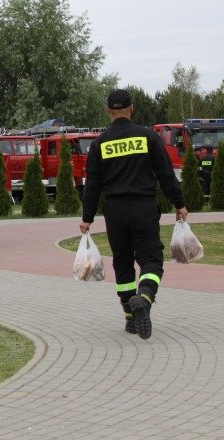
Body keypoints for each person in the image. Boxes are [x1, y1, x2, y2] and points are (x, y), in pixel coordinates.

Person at [80, 89, 188, 340]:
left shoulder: (99, 143)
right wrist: (179, 203)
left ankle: (130, 317)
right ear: (132, 108)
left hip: (115, 211)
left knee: (122, 262)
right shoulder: (147, 136)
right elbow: (165, 174)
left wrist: (87, 218)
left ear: (108, 110)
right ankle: (146, 298)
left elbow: (92, 185)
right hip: (143, 207)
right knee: (151, 260)